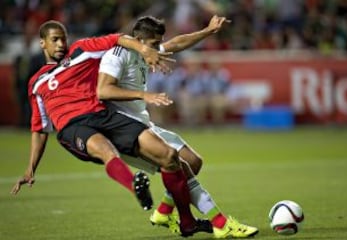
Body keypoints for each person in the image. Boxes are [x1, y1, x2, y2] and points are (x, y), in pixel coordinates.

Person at [10, 20, 208, 237]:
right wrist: (31, 168)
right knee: (106, 150)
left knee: (170, 156)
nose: (60, 44)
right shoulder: (36, 82)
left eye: (63, 39)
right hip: (72, 126)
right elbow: (39, 128)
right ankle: (136, 186)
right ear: (42, 43)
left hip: (103, 115)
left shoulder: (82, 50)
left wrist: (144, 49)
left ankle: (183, 220)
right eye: (54, 40)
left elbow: (118, 38)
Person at [97, 15, 259, 238]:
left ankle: (164, 212)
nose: (157, 50)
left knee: (194, 161)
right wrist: (144, 94)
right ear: (138, 40)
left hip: (144, 123)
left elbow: (176, 43)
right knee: (181, 166)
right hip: (125, 129)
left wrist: (208, 31)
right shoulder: (116, 55)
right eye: (153, 45)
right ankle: (220, 223)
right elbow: (103, 90)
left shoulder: (146, 51)